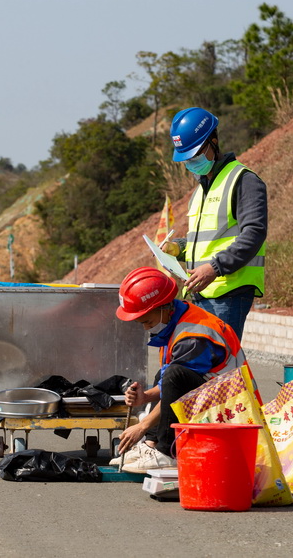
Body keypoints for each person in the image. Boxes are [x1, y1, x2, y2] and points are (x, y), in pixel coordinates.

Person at [110, 266, 247, 473]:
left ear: (164, 307)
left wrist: (143, 425)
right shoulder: (178, 320)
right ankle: (152, 445)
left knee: (173, 374)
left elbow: (178, 383)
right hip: (217, 396)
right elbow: (174, 384)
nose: (146, 328)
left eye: (147, 321)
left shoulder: (194, 336)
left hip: (234, 408)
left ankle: (166, 453)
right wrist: (145, 397)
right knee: (165, 375)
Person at [164, 107, 268, 340]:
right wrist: (178, 248)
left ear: (214, 141)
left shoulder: (243, 180)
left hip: (229, 292)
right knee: (205, 369)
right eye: (186, 158)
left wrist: (214, 268)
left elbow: (254, 233)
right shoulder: (200, 190)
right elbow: (208, 240)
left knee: (220, 368)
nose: (191, 162)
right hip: (202, 294)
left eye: (195, 154)